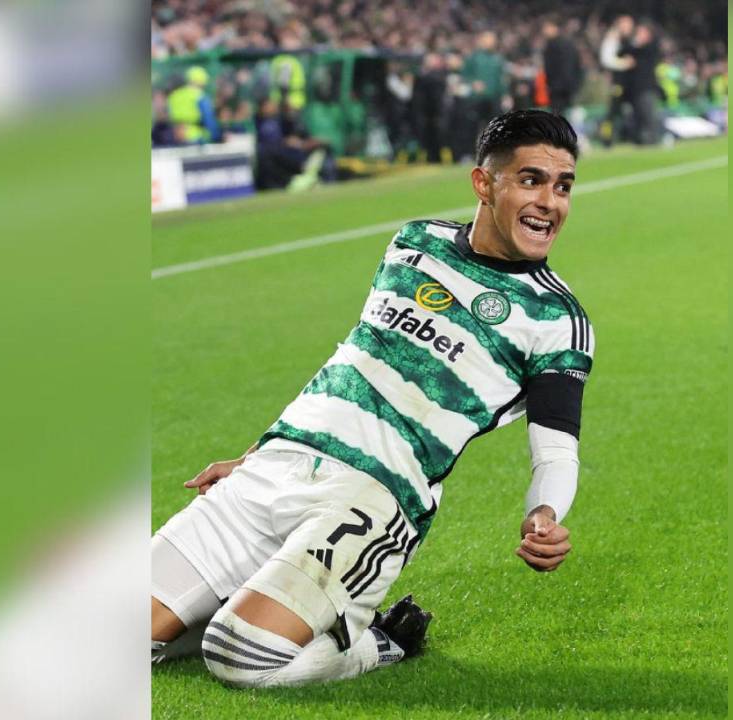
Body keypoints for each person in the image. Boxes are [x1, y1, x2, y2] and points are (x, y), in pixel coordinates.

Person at [151, 110, 594, 689]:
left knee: (238, 655)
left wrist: (545, 514)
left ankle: (382, 643)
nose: (549, 202)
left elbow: (556, 450)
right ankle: (253, 599)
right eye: (531, 180)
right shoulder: (414, 242)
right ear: (484, 184)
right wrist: (255, 453)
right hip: (277, 467)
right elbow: (355, 362)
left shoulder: (556, 319)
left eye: (562, 186)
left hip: (371, 497)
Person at [598, 14, 636, 148]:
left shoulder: (630, 39)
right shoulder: (612, 38)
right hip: (618, 82)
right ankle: (606, 139)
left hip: (629, 82)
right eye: (625, 24)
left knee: (628, 111)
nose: (628, 27)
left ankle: (629, 136)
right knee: (612, 112)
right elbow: (606, 60)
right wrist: (624, 63)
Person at [167, 65, 220, 144]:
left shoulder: (174, 96)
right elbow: (209, 120)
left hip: (176, 136)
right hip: (197, 137)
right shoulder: (200, 96)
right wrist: (217, 137)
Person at [542, 19, 583, 118]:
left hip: (558, 88)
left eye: (547, 27)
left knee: (557, 116)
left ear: (555, 27)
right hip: (567, 86)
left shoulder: (555, 45)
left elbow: (557, 68)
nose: (544, 30)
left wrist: (554, 85)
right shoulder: (569, 43)